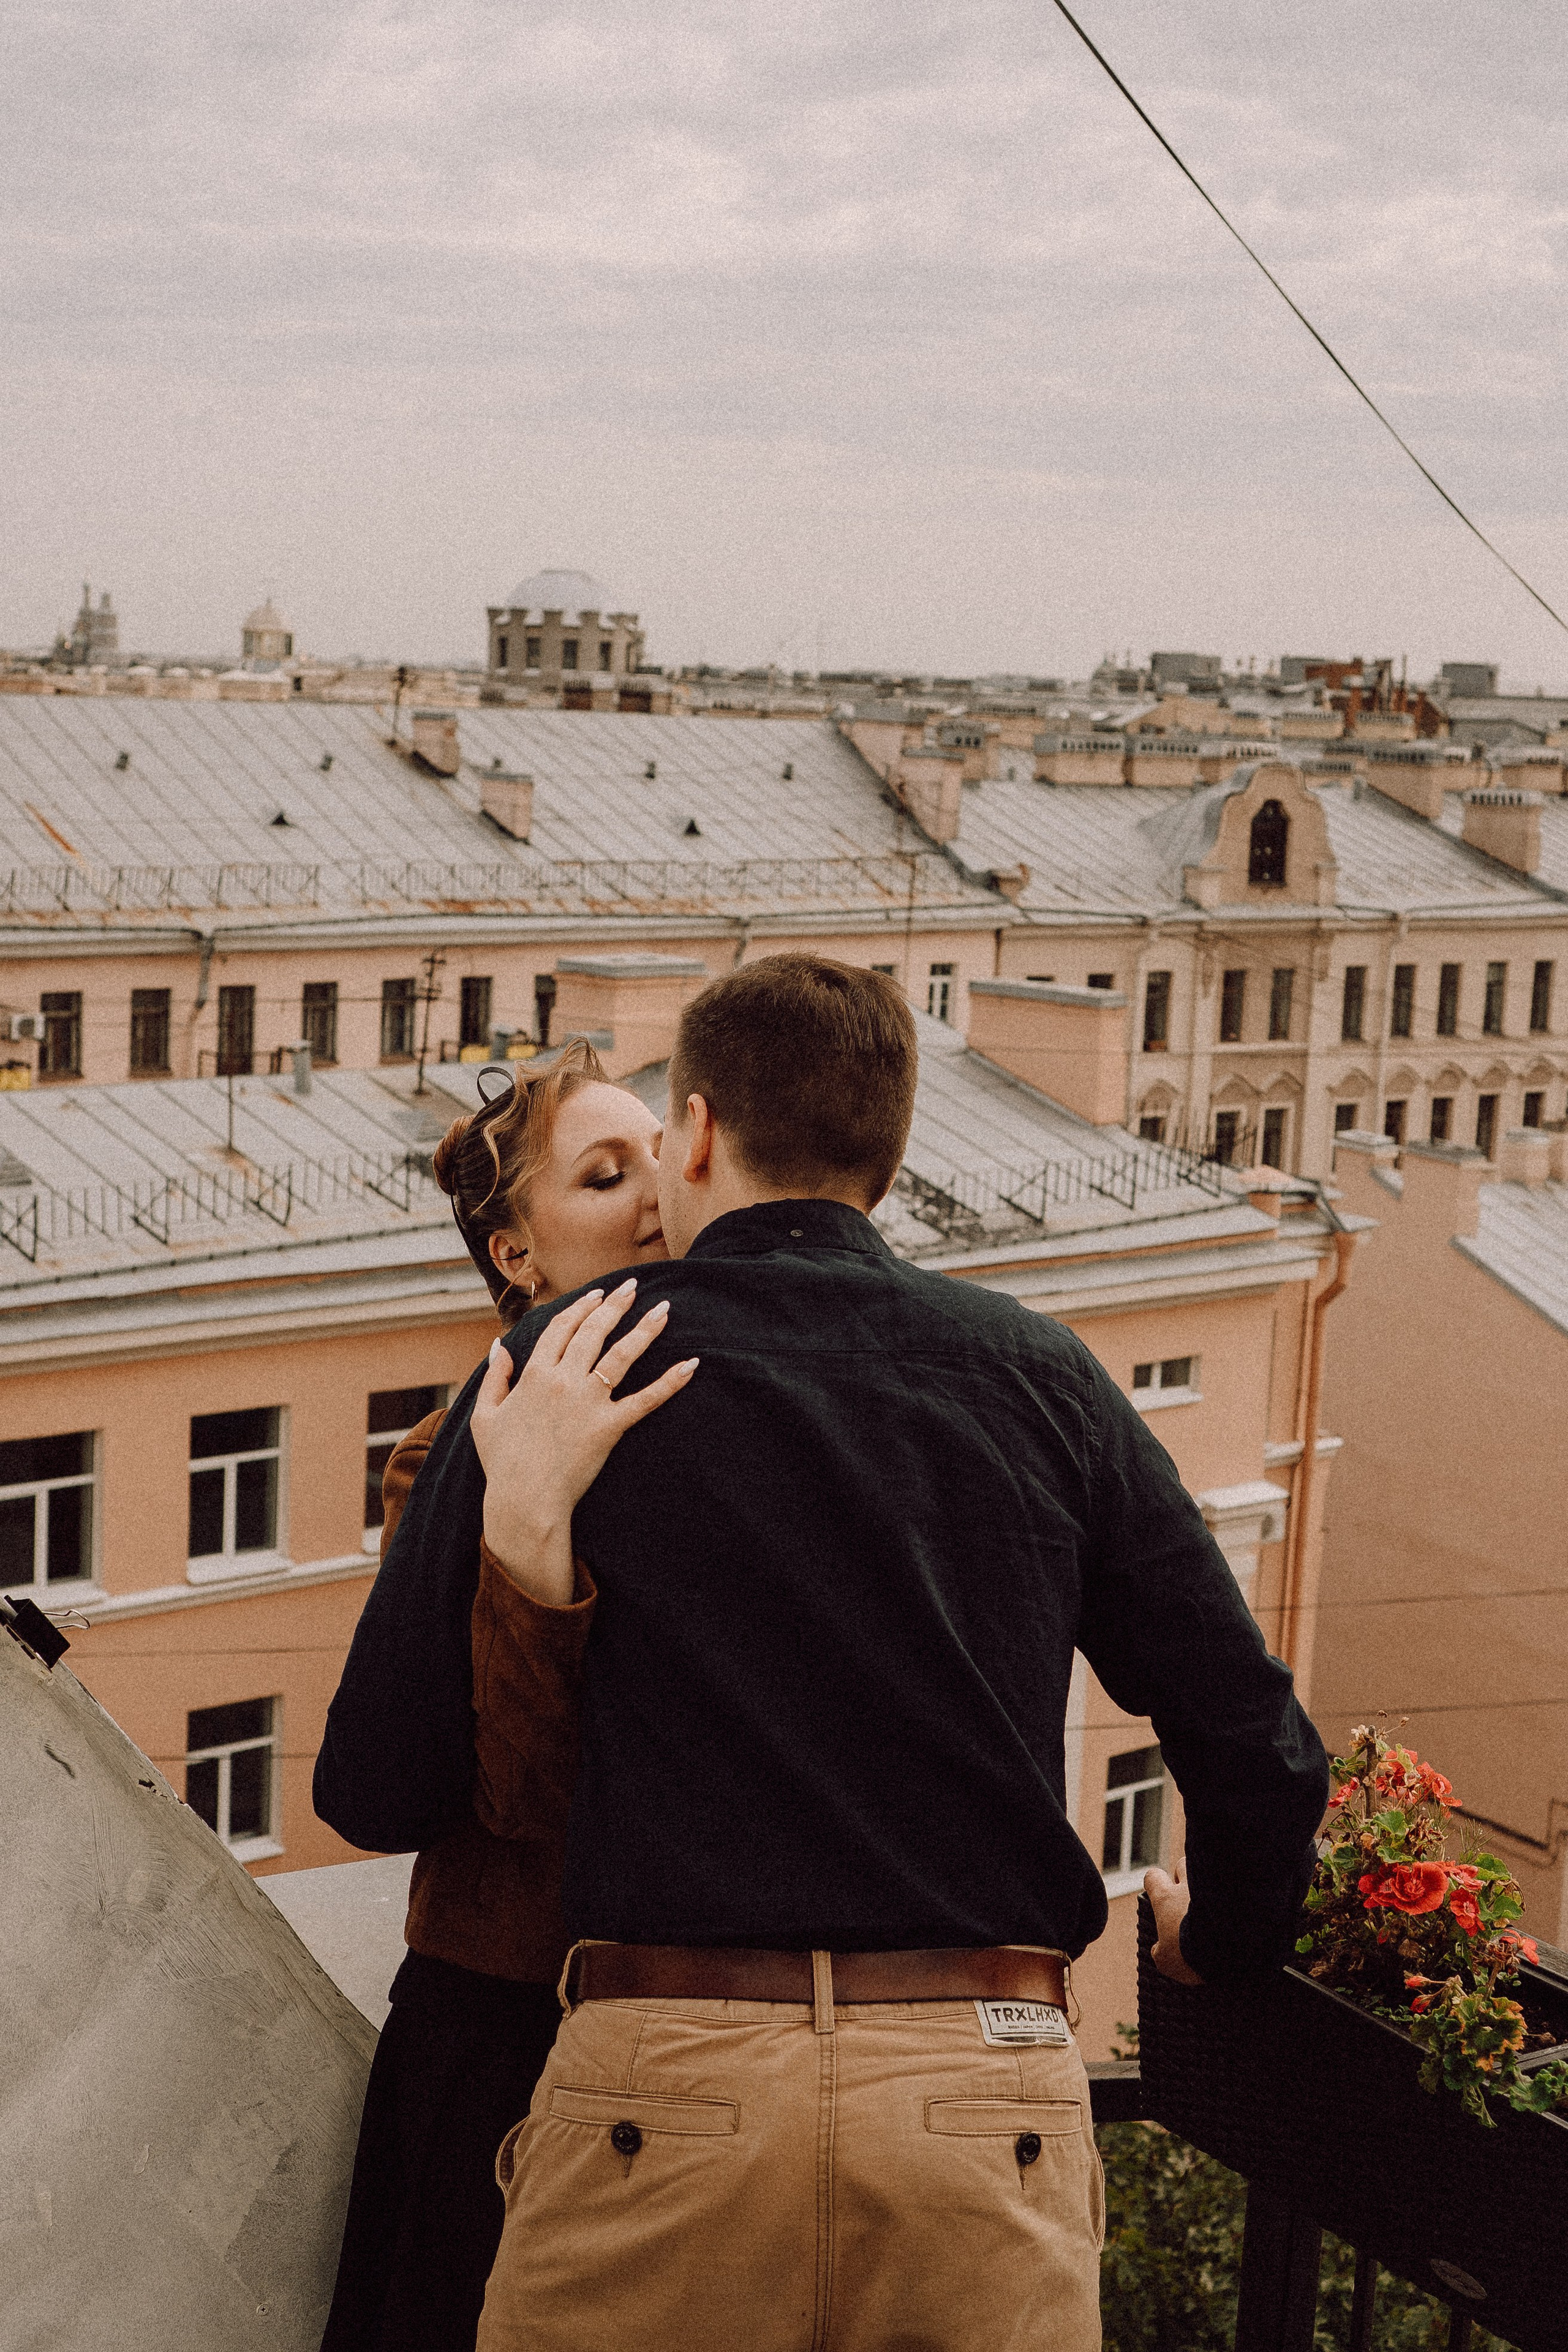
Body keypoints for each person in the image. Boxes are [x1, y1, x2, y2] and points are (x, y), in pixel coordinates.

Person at [409, 952, 1330, 2352]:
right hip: (981, 2096)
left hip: (664, 2092)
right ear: (888, 1162)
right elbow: (1253, 1740)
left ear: (699, 1133)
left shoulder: (568, 1369)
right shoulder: (1041, 1377)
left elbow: (405, 1762)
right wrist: (1225, 1938)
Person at [313, 1041, 693, 2352]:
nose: (655, 1189)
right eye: (602, 1175)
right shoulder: (453, 1455)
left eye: (657, 1150)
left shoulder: (716, 1409)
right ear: (514, 1258)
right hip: (505, 2017)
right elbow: (483, 1785)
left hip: (673, 2028)